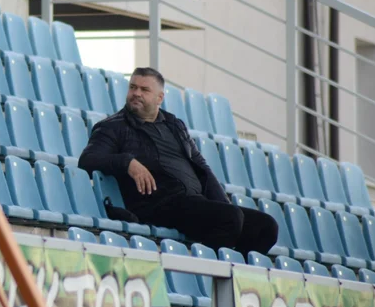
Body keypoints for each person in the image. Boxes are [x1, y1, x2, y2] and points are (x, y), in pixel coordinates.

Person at [77, 67, 278, 255]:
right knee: (230, 218)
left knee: (266, 227)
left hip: (193, 202)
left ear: (159, 98)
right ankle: (202, 275)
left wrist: (222, 204)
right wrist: (128, 162)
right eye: (133, 87)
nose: (136, 93)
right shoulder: (112, 127)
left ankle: (233, 273)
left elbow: (201, 167)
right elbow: (88, 160)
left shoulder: (174, 124)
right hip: (157, 204)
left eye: (144, 89)